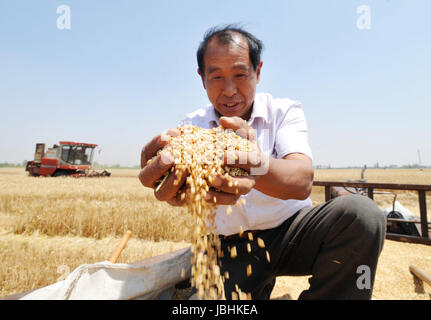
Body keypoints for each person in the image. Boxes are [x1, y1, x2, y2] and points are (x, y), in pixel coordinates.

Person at [139, 25, 386, 300]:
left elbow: (302, 180)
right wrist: (166, 181)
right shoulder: (191, 127)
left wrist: (254, 166)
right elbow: (177, 185)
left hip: (292, 231)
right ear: (202, 78)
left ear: (258, 72)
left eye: (240, 74)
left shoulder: (283, 111)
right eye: (216, 77)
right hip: (229, 245)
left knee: (362, 215)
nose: (230, 90)